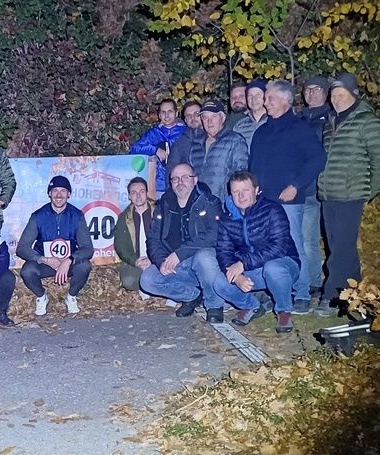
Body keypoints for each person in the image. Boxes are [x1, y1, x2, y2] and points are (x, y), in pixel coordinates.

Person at [249, 80, 326, 314]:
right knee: (264, 246)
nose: (265, 102)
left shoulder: (298, 128)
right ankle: (272, 292)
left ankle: (301, 293)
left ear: (284, 100)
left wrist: (295, 185)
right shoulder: (262, 131)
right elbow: (253, 164)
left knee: (294, 245)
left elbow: (317, 158)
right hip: (263, 202)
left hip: (288, 201)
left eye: (269, 98)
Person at [317, 72, 380, 315]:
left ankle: (331, 297)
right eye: (333, 95)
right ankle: (354, 296)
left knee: (341, 248)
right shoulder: (330, 122)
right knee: (338, 246)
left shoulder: (367, 121)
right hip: (329, 195)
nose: (336, 99)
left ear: (354, 94)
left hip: (351, 194)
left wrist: (370, 191)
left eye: (341, 94)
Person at [214, 171, 301, 333]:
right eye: (235, 192)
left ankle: (284, 311)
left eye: (245, 190)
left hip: (284, 264)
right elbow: (223, 251)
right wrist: (237, 275)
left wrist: (243, 263)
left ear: (256, 190)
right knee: (219, 282)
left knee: (273, 268)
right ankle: (251, 306)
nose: (240, 196)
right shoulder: (227, 218)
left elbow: (279, 247)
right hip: (252, 269)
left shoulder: (273, 210)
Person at [139, 163, 224, 322]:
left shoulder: (209, 202)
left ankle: (214, 305)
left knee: (204, 257)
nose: (180, 182)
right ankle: (191, 296)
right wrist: (160, 261)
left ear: (195, 180)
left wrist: (179, 254)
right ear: (171, 183)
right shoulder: (163, 205)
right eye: (175, 179)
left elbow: (215, 234)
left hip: (200, 262)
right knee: (147, 279)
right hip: (176, 264)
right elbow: (153, 238)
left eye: (185, 177)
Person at [16, 176, 94, 316]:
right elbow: (22, 247)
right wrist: (44, 259)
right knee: (27, 271)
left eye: (63, 191)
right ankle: (41, 297)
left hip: (68, 263)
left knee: (85, 266)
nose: (59, 195)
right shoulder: (38, 216)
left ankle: (71, 296)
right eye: (55, 191)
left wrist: (69, 259)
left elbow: (88, 248)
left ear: (69, 194)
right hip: (46, 263)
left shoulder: (77, 216)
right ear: (49, 193)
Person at [298, 75, 332, 299]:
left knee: (309, 238)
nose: (311, 93)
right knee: (301, 237)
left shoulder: (331, 118)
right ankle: (307, 280)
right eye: (307, 89)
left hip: (317, 188)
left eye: (317, 89)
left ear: (325, 92)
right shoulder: (299, 118)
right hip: (298, 188)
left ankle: (315, 282)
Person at [183, 100, 249, 203]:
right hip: (199, 204)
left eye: (214, 116)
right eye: (205, 117)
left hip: (224, 205)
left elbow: (242, 175)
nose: (209, 122)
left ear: (222, 118)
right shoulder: (195, 143)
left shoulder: (235, 140)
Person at [129, 99, 187, 194]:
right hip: (159, 185)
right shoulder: (154, 133)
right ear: (159, 115)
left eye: (170, 111)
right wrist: (155, 150)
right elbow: (135, 148)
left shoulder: (185, 132)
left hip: (181, 184)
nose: (167, 115)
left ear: (176, 113)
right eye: (163, 112)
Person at [113, 177, 155, 291]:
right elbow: (120, 245)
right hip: (137, 260)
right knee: (128, 281)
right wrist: (135, 261)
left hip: (158, 259)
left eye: (142, 192)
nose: (138, 196)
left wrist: (154, 259)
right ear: (129, 196)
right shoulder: (124, 217)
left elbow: (167, 239)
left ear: (147, 193)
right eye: (134, 193)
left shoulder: (159, 212)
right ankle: (146, 286)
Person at [233, 80, 268, 148]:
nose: (254, 99)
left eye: (258, 95)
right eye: (250, 95)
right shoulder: (239, 126)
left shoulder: (275, 122)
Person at [168, 100, 202, 168]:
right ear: (185, 120)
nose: (192, 118)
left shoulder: (213, 136)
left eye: (196, 113)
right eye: (188, 116)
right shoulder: (180, 142)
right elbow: (171, 168)